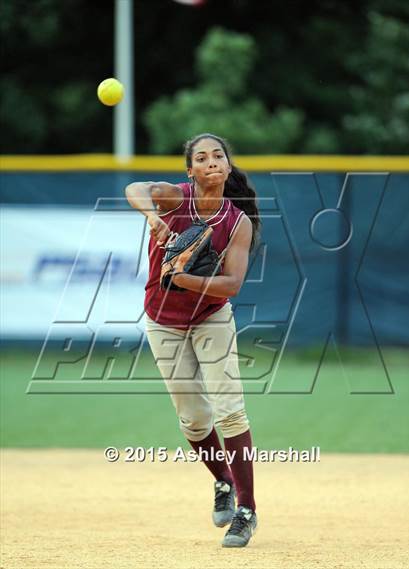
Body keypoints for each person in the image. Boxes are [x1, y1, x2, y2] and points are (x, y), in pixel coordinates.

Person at [125, 133, 261, 548]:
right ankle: (223, 481)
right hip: (163, 322)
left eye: (218, 155)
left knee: (230, 411)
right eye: (201, 158)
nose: (211, 161)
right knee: (194, 418)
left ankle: (248, 510)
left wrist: (184, 278)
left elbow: (233, 284)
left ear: (227, 166)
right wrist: (152, 216)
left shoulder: (237, 222)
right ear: (191, 171)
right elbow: (135, 188)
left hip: (210, 317)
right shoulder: (175, 199)